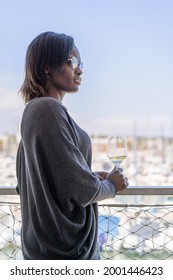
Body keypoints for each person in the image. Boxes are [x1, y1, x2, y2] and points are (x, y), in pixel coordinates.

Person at [16, 31, 129, 260]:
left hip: (46, 250)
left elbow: (34, 183)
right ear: (48, 66)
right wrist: (112, 185)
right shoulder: (47, 109)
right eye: (73, 61)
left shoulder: (37, 111)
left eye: (81, 63)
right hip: (65, 253)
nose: (79, 69)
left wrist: (84, 173)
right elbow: (81, 190)